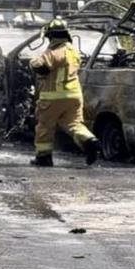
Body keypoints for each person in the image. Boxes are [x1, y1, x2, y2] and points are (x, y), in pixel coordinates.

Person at [28, 18, 102, 167]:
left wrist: (32, 62)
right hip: (74, 96)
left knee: (45, 126)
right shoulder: (73, 52)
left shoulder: (54, 51)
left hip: (53, 96)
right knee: (73, 123)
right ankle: (89, 140)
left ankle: (44, 157)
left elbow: (41, 67)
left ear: (51, 36)